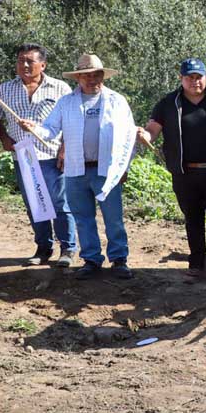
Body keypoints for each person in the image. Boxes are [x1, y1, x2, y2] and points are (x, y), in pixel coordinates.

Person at [19, 54, 136, 280]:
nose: (92, 79)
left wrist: (124, 167)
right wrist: (33, 128)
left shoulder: (116, 101)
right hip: (75, 170)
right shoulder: (66, 102)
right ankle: (91, 259)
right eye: (87, 75)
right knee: (83, 217)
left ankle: (119, 260)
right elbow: (50, 130)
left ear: (103, 76)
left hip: (107, 170)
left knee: (113, 218)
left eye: (96, 75)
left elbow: (128, 137)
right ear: (78, 78)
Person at [138, 58, 206, 286]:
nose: (195, 81)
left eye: (198, 77)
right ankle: (196, 266)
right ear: (181, 79)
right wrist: (145, 135)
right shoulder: (168, 103)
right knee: (192, 219)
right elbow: (153, 129)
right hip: (184, 173)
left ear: (205, 77)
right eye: (189, 77)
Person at [0, 43, 77, 267]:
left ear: (43, 64)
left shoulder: (60, 89)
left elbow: (71, 121)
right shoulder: (5, 89)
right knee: (35, 204)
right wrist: (5, 138)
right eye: (20, 60)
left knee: (60, 203)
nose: (25, 65)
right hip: (23, 157)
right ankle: (43, 248)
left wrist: (65, 149)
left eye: (30, 61)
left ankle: (67, 248)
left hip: (52, 155)